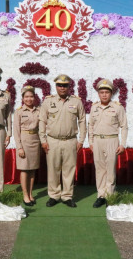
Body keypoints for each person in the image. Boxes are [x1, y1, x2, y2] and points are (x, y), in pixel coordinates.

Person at [39, 74, 86, 208]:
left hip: (70, 141)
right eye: (60, 85)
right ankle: (54, 195)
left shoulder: (76, 102)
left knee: (69, 170)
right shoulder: (48, 101)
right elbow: (42, 121)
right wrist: (43, 140)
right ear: (56, 86)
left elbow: (82, 121)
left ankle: (67, 196)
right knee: (53, 170)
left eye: (65, 85)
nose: (62, 88)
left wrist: (81, 140)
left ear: (69, 86)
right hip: (52, 140)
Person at [88, 79, 128, 208]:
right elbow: (90, 125)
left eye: (107, 92)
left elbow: (124, 126)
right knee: (100, 169)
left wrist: (122, 144)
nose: (104, 95)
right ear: (98, 94)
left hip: (112, 140)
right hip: (98, 140)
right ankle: (101, 196)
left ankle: (109, 196)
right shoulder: (94, 107)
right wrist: (91, 141)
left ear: (111, 94)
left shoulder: (117, 107)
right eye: (102, 92)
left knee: (110, 169)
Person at [13, 86, 41, 206]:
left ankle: (30, 193)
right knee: (24, 169)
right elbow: (16, 131)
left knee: (32, 169)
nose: (29, 99)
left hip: (35, 141)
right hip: (24, 141)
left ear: (34, 97)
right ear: (23, 98)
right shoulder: (19, 111)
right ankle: (25, 195)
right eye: (26, 97)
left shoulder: (39, 111)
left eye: (31, 96)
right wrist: (19, 147)